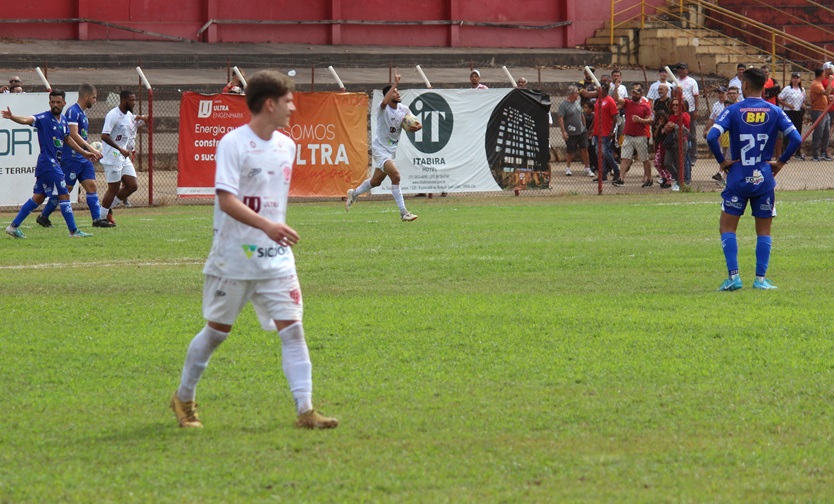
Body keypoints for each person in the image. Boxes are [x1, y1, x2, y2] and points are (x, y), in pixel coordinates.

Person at [171, 70, 338, 430]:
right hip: (233, 257)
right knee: (216, 332)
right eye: (289, 101)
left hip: (276, 260)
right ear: (269, 104)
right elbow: (226, 200)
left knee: (293, 330)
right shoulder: (233, 143)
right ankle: (183, 398)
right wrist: (268, 226)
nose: (293, 108)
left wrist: (272, 230)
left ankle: (305, 410)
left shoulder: (287, 145)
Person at [707, 67, 801, 291]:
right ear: (765, 84)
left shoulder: (734, 110)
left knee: (727, 228)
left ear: (744, 85)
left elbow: (712, 136)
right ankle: (760, 280)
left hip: (738, 176)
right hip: (763, 178)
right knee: (764, 231)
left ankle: (733, 277)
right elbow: (796, 138)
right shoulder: (775, 110)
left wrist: (722, 161)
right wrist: (780, 162)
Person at [3, 90, 97, 238]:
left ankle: (12, 227)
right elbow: (27, 119)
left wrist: (84, 152)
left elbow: (68, 140)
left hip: (51, 165)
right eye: (52, 102)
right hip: (48, 163)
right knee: (64, 194)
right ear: (49, 103)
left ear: (64, 103)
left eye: (58, 102)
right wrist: (12, 117)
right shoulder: (44, 118)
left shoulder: (64, 121)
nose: (55, 105)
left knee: (38, 197)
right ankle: (73, 231)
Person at [36, 84, 114, 229]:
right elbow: (72, 134)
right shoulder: (73, 111)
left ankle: (97, 220)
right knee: (66, 189)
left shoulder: (82, 113)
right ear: (86, 97)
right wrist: (90, 148)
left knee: (91, 186)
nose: (95, 100)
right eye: (94, 97)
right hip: (71, 158)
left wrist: (88, 150)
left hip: (83, 158)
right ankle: (43, 216)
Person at [345, 74, 420, 221]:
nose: (398, 93)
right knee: (396, 176)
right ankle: (404, 213)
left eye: (398, 91)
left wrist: (417, 127)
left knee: (375, 181)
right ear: (388, 94)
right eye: (395, 92)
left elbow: (414, 123)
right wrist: (394, 84)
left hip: (390, 151)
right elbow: (385, 102)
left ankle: (353, 194)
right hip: (380, 150)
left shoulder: (403, 109)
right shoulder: (382, 108)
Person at [99, 90, 148, 225]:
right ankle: (100, 218)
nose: (134, 103)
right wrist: (120, 148)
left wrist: (144, 117)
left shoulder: (129, 115)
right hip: (112, 156)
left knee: (132, 186)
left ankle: (106, 210)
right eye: (131, 100)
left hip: (123, 157)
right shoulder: (113, 115)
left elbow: (144, 121)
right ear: (124, 100)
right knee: (113, 188)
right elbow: (104, 135)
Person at [617, 84, 654, 187]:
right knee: (625, 158)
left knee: (644, 159)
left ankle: (649, 178)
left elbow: (650, 120)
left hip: (640, 136)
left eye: (636, 93)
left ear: (641, 94)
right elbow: (618, 99)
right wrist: (616, 88)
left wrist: (640, 120)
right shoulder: (628, 103)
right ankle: (621, 178)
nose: (634, 95)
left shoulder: (645, 106)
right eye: (633, 92)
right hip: (628, 135)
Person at [556, 86, 591, 177]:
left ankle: (587, 168)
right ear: (572, 94)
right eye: (576, 93)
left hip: (582, 131)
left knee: (585, 148)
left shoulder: (577, 102)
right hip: (571, 131)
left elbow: (580, 113)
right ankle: (568, 167)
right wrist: (563, 132)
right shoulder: (563, 105)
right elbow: (560, 118)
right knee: (570, 151)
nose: (578, 95)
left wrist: (584, 125)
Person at [592, 82, 620, 182]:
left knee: (605, 152)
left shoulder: (610, 101)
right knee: (598, 153)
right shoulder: (598, 99)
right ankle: (602, 174)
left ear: (605, 90)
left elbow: (615, 117)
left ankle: (616, 170)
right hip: (597, 131)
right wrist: (591, 129)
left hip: (606, 131)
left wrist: (612, 131)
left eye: (600, 89)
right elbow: (595, 116)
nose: (598, 91)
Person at [662, 98, 690, 192]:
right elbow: (668, 131)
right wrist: (666, 127)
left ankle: (680, 183)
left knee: (680, 163)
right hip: (672, 142)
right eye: (673, 105)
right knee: (668, 162)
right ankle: (679, 180)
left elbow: (686, 131)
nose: (674, 106)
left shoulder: (685, 116)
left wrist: (675, 126)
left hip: (681, 142)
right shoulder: (671, 116)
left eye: (677, 105)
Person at [705, 86, 730, 185]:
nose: (720, 95)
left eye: (722, 93)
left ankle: (722, 174)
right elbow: (712, 119)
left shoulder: (730, 104)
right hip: (719, 133)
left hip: (728, 132)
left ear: (726, 94)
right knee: (722, 153)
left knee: (726, 154)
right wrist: (706, 129)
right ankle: (722, 175)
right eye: (719, 93)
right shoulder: (716, 105)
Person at [675, 63, 699, 167]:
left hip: (690, 110)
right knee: (679, 133)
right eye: (679, 69)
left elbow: (696, 96)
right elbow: (673, 94)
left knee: (692, 134)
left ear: (687, 70)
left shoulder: (692, 81)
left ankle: (693, 156)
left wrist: (696, 109)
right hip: (679, 110)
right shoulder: (675, 81)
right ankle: (681, 155)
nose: (681, 71)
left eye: (683, 69)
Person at [778, 72, 806, 160]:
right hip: (789, 111)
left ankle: (797, 152)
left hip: (798, 112)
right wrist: (787, 104)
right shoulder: (787, 89)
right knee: (787, 132)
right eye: (794, 78)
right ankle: (786, 152)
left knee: (798, 131)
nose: (795, 80)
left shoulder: (802, 90)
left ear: (799, 80)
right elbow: (779, 98)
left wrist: (803, 105)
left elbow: (803, 100)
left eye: (797, 78)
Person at [651, 83, 674, 188]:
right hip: (658, 132)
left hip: (666, 134)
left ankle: (668, 178)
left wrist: (664, 125)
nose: (660, 91)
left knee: (662, 160)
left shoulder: (669, 102)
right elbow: (655, 114)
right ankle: (664, 178)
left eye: (662, 89)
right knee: (658, 159)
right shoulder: (656, 101)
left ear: (667, 90)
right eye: (659, 89)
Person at [808, 67, 832, 161]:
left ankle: (823, 152)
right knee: (819, 132)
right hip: (818, 111)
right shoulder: (816, 84)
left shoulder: (819, 84)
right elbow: (826, 92)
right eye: (824, 73)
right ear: (821, 74)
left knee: (826, 132)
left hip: (824, 110)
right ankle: (815, 154)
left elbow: (825, 94)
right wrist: (830, 81)